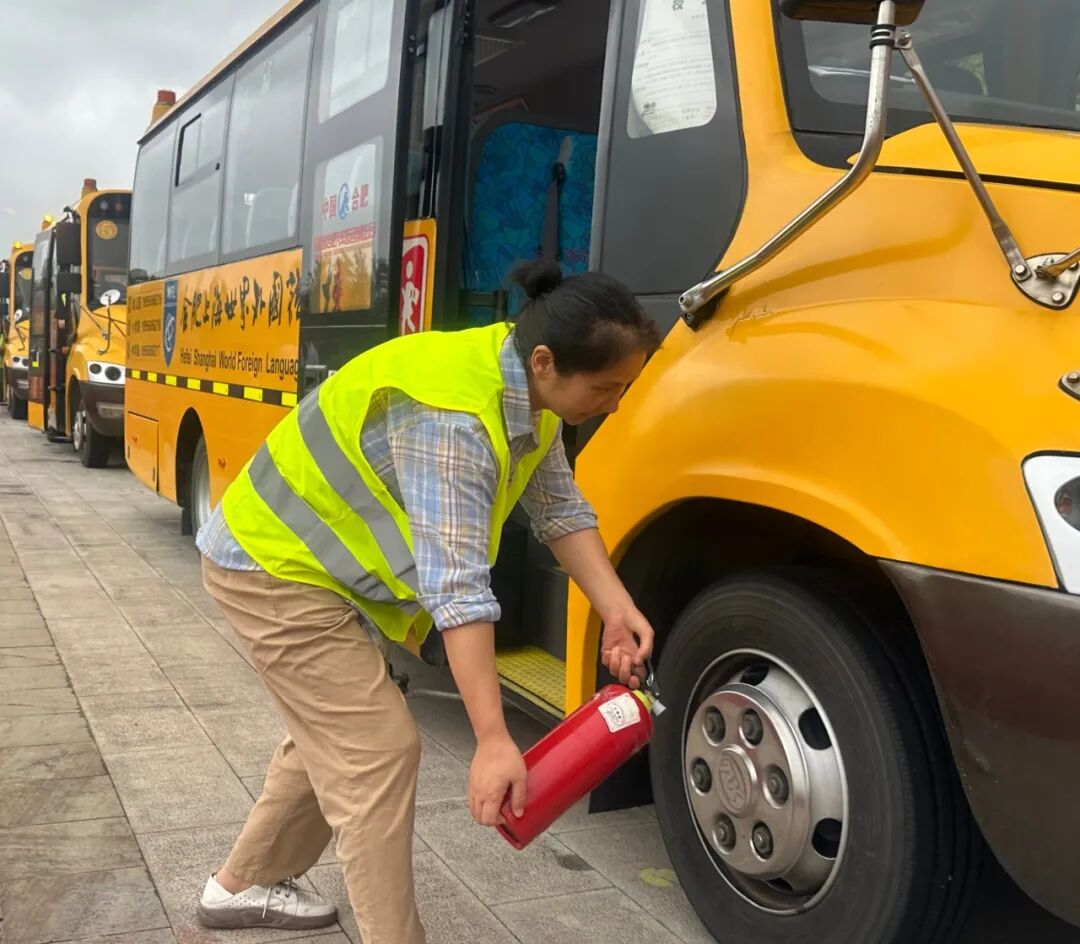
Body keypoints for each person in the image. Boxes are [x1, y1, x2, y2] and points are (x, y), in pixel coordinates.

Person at [193, 258, 661, 943]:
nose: (613, 404)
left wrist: (616, 607)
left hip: (317, 567)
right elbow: (459, 589)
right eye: (608, 387)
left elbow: (560, 509)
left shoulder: (532, 397)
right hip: (273, 566)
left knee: (344, 733)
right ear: (544, 361)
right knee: (377, 750)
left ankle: (242, 884)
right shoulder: (455, 420)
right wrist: (495, 741)